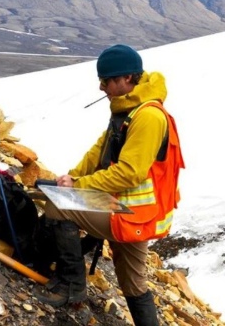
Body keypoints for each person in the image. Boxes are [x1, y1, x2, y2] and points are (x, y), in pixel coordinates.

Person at [39, 44, 185, 326]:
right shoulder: (129, 109)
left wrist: (78, 185)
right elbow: (101, 149)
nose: (101, 87)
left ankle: (72, 286)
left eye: (106, 80)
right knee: (134, 284)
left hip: (128, 213)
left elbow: (129, 173)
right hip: (133, 211)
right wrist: (72, 176)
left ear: (127, 79)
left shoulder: (149, 117)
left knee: (57, 205)